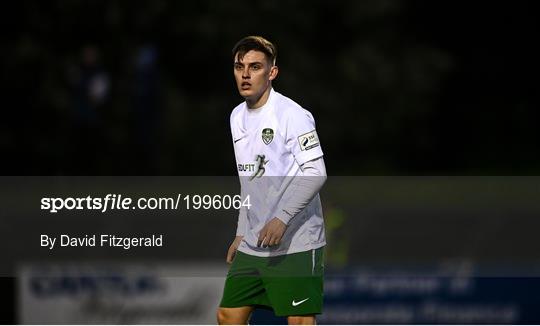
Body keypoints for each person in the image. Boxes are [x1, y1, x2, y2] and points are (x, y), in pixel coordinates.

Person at [217, 36, 327, 325]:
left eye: (255, 67)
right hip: (255, 241)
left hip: (296, 241)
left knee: (299, 321)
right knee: (228, 315)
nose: (245, 74)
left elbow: (316, 172)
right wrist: (242, 230)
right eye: (239, 67)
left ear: (272, 72)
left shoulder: (292, 115)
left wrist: (282, 218)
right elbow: (248, 178)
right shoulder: (236, 117)